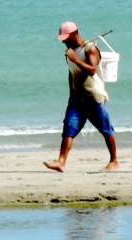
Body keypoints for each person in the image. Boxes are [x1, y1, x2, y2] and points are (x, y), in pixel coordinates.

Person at [43, 21, 119, 172]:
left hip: (94, 97)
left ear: (75, 34)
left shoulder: (90, 49)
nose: (63, 41)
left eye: (66, 38)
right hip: (77, 99)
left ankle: (114, 161)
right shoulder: (70, 52)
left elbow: (92, 70)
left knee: (106, 129)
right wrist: (71, 96)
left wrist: (75, 59)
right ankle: (61, 162)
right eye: (62, 38)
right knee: (68, 129)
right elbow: (72, 75)